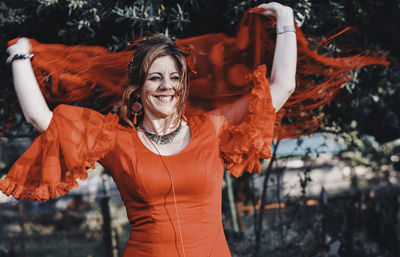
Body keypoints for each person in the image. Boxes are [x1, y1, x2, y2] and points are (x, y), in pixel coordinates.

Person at [0, 2, 388, 257]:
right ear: (139, 88)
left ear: (184, 85)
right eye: (155, 77)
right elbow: (40, 118)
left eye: (175, 77)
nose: (166, 86)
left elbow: (279, 88)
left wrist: (286, 21)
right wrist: (20, 53)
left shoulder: (213, 128)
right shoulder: (112, 137)